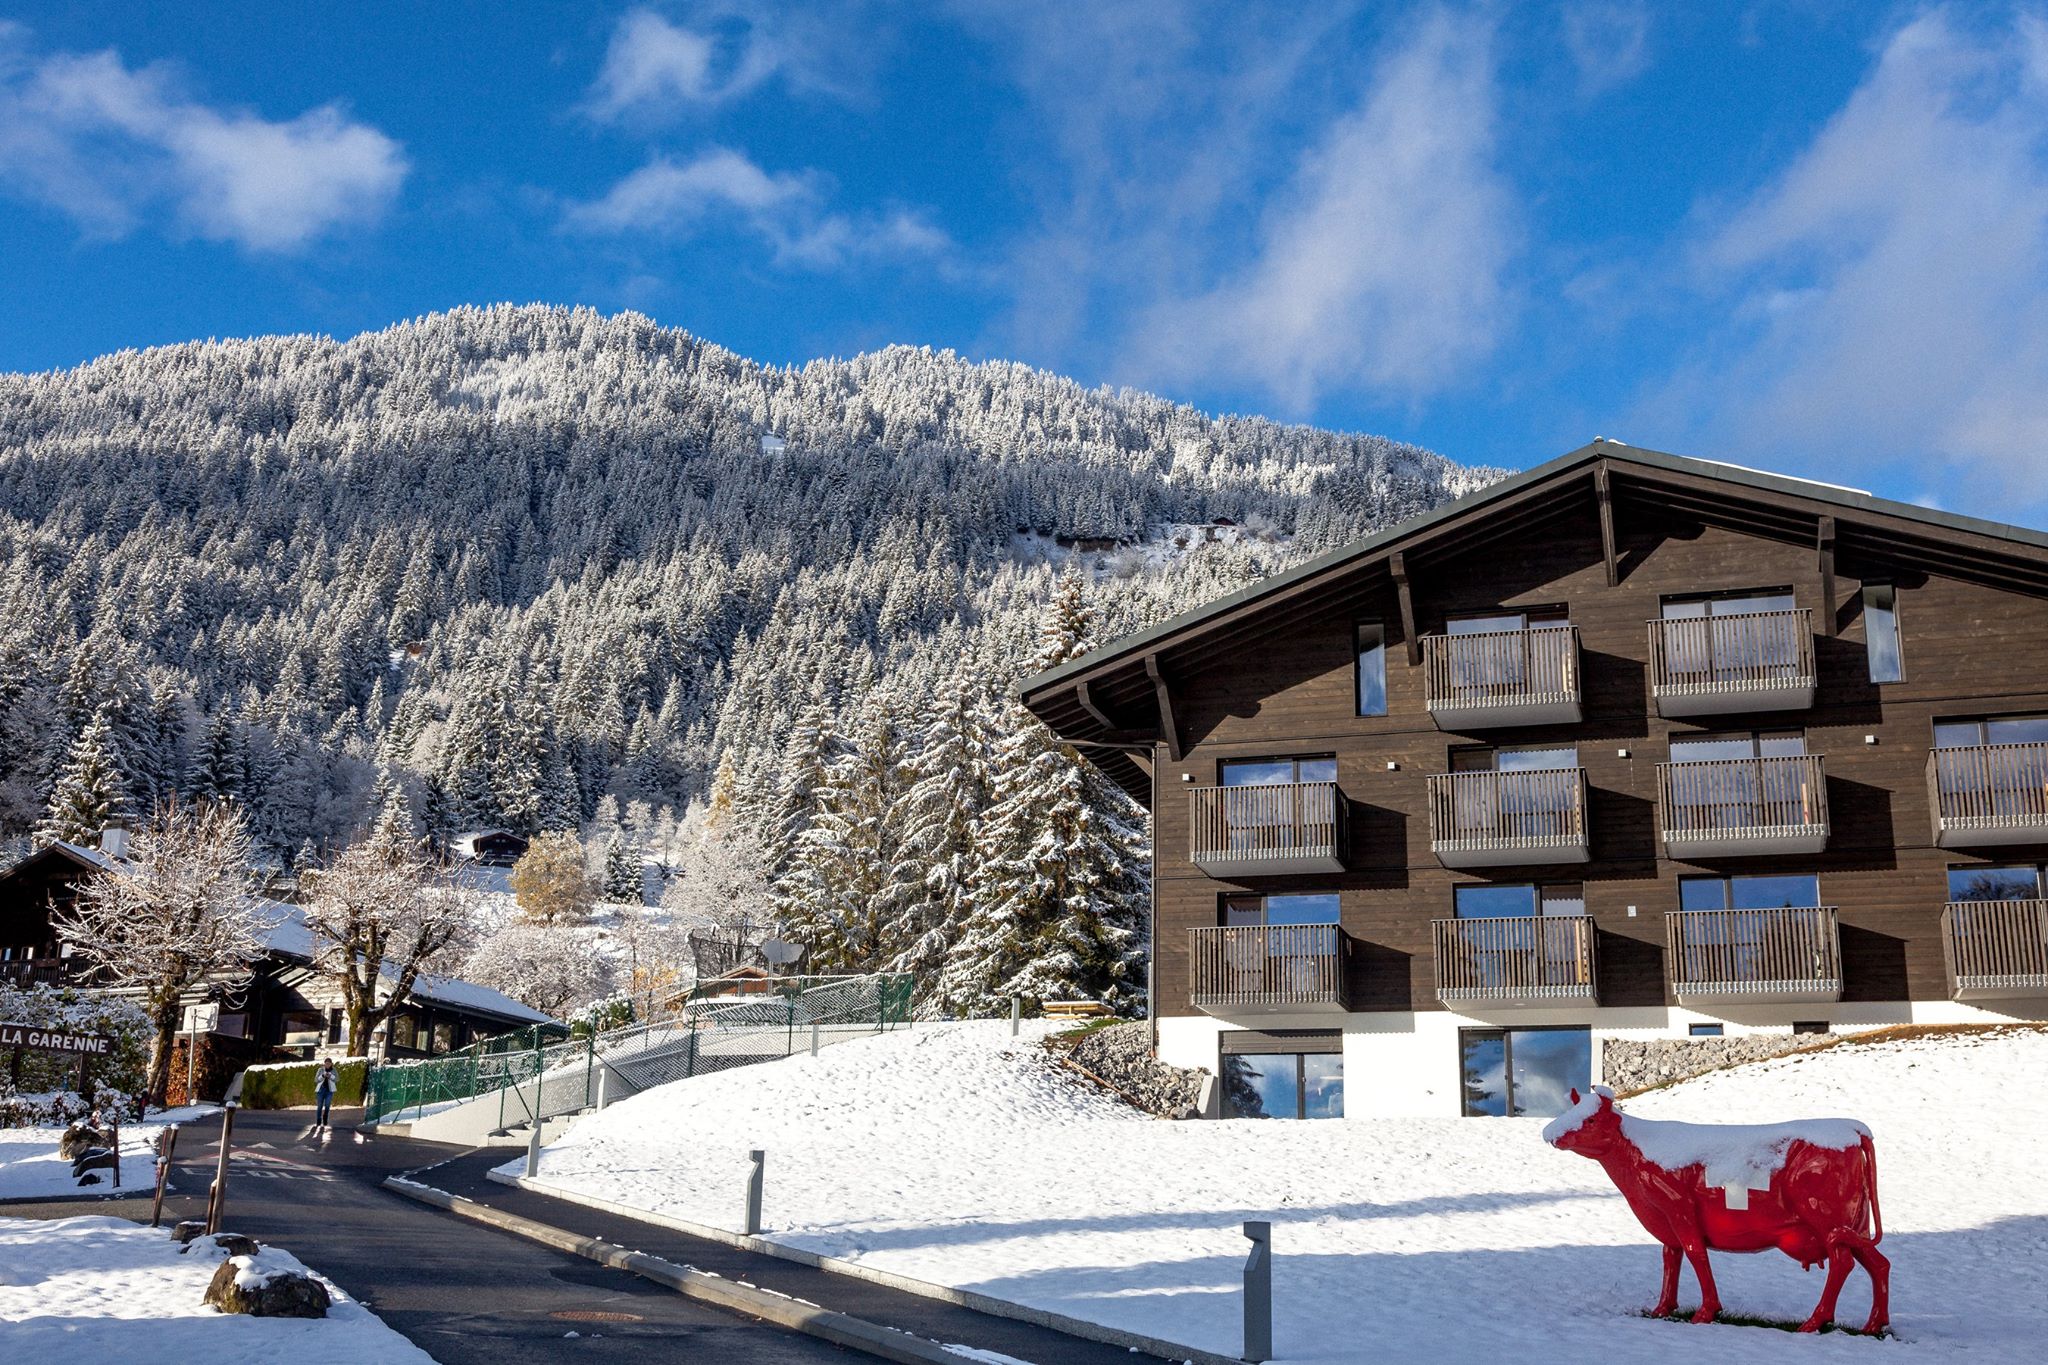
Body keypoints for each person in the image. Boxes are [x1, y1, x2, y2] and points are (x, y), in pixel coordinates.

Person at [313, 1058, 337, 1128]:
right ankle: (318, 1120)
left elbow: (337, 1079)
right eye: (326, 1063)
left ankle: (325, 1118)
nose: (327, 1065)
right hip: (321, 1090)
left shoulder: (334, 1070)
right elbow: (316, 1080)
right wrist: (323, 1076)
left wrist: (331, 1076)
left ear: (331, 1064)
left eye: (329, 1064)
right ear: (324, 1064)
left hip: (329, 1091)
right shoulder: (320, 1070)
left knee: (327, 1105)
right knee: (319, 1106)